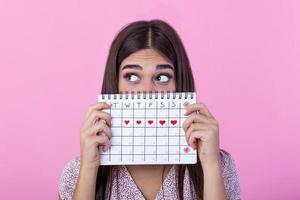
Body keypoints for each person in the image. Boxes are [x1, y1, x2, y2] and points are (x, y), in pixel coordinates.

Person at [58, 19, 241, 200]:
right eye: (131, 76)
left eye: (161, 77)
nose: (146, 90)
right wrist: (89, 168)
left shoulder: (219, 167)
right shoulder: (77, 173)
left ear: (179, 85)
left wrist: (211, 166)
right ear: (115, 84)